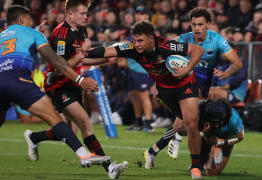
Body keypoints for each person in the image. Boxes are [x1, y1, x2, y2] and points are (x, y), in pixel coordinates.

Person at [79, 20, 204, 179]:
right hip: (165, 89)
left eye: (140, 40)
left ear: (152, 38)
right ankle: (153, 151)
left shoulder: (167, 46)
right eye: (135, 40)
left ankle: (196, 167)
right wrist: (86, 53)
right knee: (183, 126)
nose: (136, 44)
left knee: (191, 122)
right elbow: (107, 51)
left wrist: (187, 69)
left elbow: (198, 50)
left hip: (185, 83)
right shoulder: (131, 48)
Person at [24, 1, 128, 179]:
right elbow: (59, 69)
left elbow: (82, 60)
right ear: (70, 15)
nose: (86, 16)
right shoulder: (61, 34)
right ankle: (109, 167)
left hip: (72, 84)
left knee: (69, 132)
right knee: (85, 123)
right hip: (58, 85)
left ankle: (34, 137)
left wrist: (107, 59)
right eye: (82, 13)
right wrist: (81, 57)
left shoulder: (81, 31)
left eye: (86, 13)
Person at [0, 5, 110, 168]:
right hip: (20, 81)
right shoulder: (34, 33)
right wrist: (80, 79)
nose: (32, 22)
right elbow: (58, 63)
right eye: (30, 19)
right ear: (22, 19)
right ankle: (84, 155)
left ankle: (36, 139)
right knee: (56, 120)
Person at [143, 7, 243, 167]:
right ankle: (201, 157)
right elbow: (162, 60)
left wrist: (227, 73)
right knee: (190, 123)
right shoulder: (183, 39)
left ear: (207, 24)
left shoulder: (217, 40)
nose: (196, 28)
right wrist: (158, 83)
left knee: (188, 124)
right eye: (194, 24)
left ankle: (154, 150)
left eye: (200, 24)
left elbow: (237, 63)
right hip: (183, 86)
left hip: (202, 89)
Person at [192, 99, 244, 176]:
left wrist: (221, 142)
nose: (216, 125)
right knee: (202, 164)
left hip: (225, 137)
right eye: (214, 122)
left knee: (212, 174)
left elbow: (240, 137)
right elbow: (188, 130)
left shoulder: (234, 120)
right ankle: (203, 160)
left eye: (218, 121)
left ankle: (215, 150)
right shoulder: (201, 111)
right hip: (207, 132)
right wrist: (203, 133)